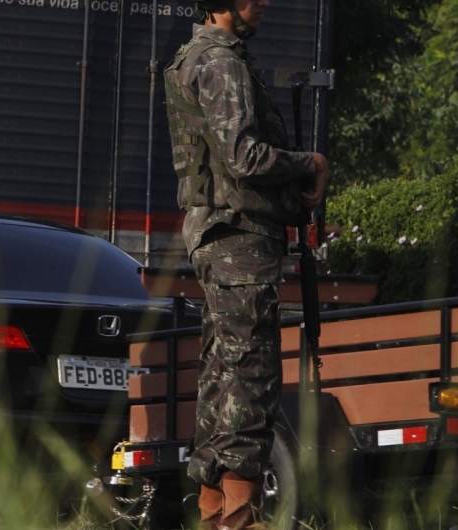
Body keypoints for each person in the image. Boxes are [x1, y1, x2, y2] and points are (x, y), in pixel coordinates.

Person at [163, 0, 328, 528]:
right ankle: (239, 515)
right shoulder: (222, 63)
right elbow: (245, 158)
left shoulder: (196, 56)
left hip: (220, 236)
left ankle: (216, 513)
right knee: (250, 374)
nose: (268, 5)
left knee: (222, 374)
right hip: (239, 238)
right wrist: (309, 163)